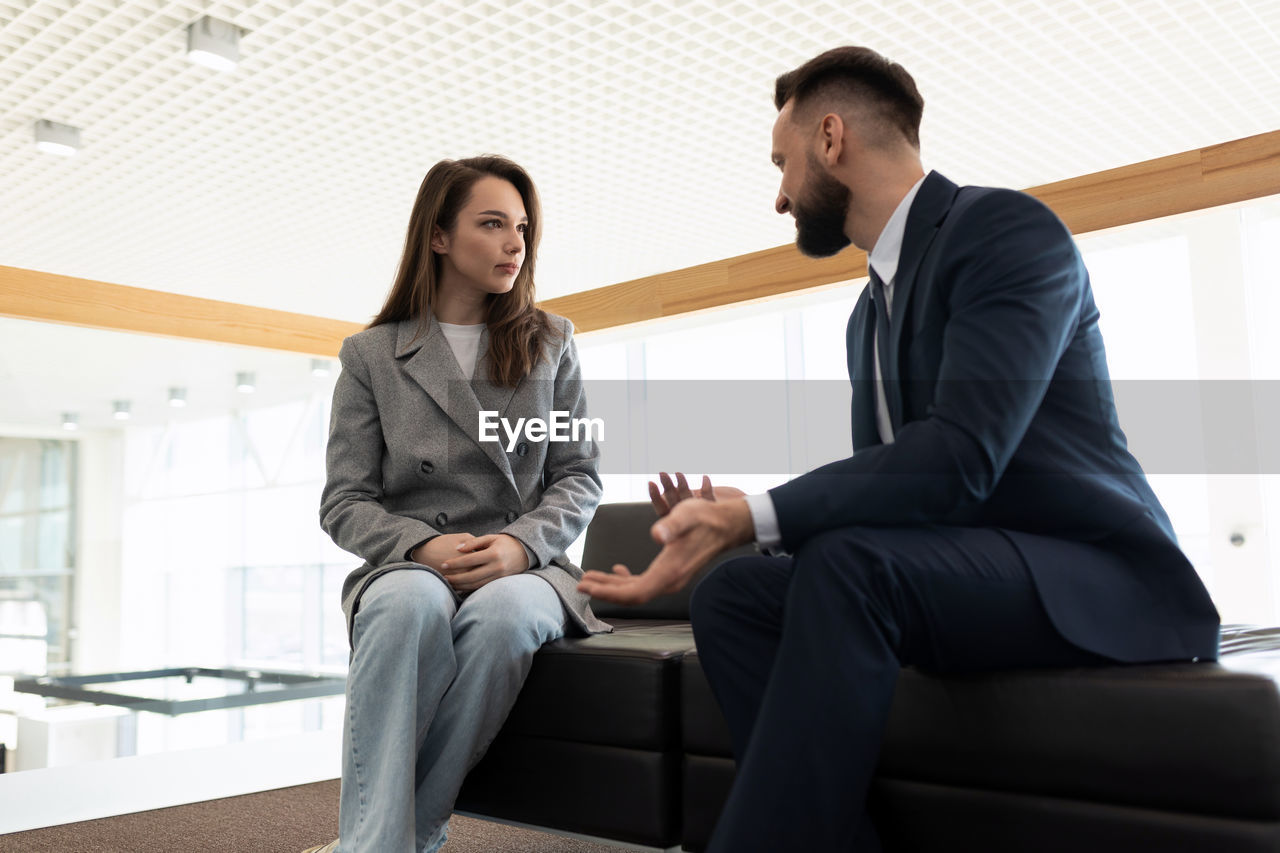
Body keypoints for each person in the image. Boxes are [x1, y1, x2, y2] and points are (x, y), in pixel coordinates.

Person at [578, 46, 1219, 851]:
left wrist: (758, 513)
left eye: (782, 162)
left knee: (849, 566)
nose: (778, 196)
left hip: (1089, 571)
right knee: (734, 593)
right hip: (967, 570)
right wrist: (743, 526)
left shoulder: (1004, 231)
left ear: (832, 139)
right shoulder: (867, 316)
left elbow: (959, 457)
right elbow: (896, 495)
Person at [312, 155, 608, 853]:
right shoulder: (370, 356)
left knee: (506, 612)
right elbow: (344, 500)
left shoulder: (551, 341)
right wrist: (419, 546)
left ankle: (388, 839)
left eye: (523, 228)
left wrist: (518, 546)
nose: (516, 243)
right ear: (439, 236)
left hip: (528, 568)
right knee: (409, 600)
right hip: (414, 563)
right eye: (493, 224)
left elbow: (580, 475)